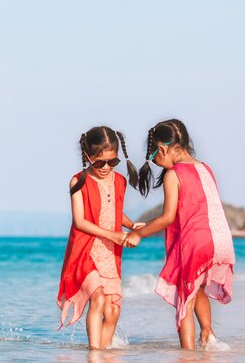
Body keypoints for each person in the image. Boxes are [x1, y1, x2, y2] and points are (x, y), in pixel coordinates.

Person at [123, 119, 235, 350]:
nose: (155, 162)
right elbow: (195, 210)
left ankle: (188, 354)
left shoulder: (174, 174)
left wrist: (139, 234)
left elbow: (168, 217)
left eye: (154, 155)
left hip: (196, 242)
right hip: (220, 240)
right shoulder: (205, 168)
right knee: (198, 287)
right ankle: (207, 334)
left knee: (185, 297)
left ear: (162, 148)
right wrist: (148, 224)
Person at [57, 126, 143, 350]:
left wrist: (132, 225)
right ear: (88, 157)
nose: (106, 167)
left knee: (113, 310)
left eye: (112, 162)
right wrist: (113, 235)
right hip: (86, 250)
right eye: (99, 163)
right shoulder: (78, 181)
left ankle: (103, 355)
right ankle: (94, 354)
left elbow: (113, 211)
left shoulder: (120, 182)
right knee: (98, 298)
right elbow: (80, 221)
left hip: (110, 253)